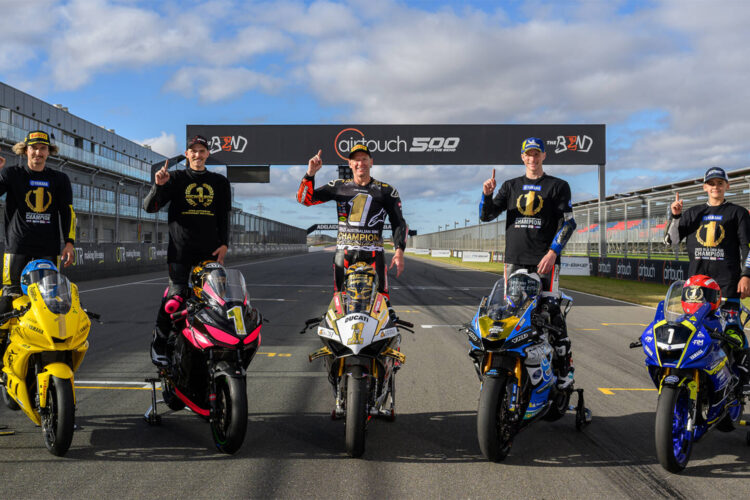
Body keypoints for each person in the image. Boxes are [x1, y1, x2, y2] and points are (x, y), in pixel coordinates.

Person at [479, 137, 577, 388]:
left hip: (546, 262)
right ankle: (512, 368)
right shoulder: (510, 186)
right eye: (528, 154)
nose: (532, 158)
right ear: (522, 157)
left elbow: (569, 223)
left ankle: (565, 368)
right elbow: (486, 215)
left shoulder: (558, 186)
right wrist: (487, 195)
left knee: (551, 313)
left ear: (544, 156)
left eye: (536, 154)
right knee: (511, 313)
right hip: (514, 261)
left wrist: (553, 252)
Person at [144, 135, 231, 366]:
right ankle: (160, 342)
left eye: (202, 151)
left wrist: (225, 244)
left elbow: (224, 217)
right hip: (180, 251)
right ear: (186, 154)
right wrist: (158, 186)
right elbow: (150, 208)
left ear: (207, 154)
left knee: (214, 301)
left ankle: (211, 342)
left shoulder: (220, 182)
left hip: (210, 251)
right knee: (175, 298)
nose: (197, 155)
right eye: (193, 151)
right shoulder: (174, 178)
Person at [665, 166, 750, 387]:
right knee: (693, 334)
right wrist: (675, 216)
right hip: (696, 288)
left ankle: (744, 381)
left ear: (727, 186)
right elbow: (671, 241)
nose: (715, 187)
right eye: (711, 183)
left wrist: (746, 275)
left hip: (728, 285)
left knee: (732, 333)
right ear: (705, 187)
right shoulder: (693, 213)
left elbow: (747, 247)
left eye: (720, 183)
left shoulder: (738, 213)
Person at [296, 144, 408, 313]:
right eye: (356, 160)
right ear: (350, 163)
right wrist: (310, 174)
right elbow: (305, 200)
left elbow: (398, 222)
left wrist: (399, 251)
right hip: (345, 254)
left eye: (364, 159)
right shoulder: (338, 185)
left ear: (371, 162)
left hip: (374, 255)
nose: (360, 163)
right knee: (340, 305)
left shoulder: (387, 190)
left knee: (382, 305)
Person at [0, 131, 76, 365]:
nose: (38, 153)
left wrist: (69, 242)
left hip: (48, 250)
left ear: (49, 153)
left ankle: (47, 352)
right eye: (33, 148)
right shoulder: (11, 174)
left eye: (43, 148)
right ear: (25, 151)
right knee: (9, 297)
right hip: (16, 248)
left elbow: (68, 212)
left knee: (50, 301)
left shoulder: (60, 179)